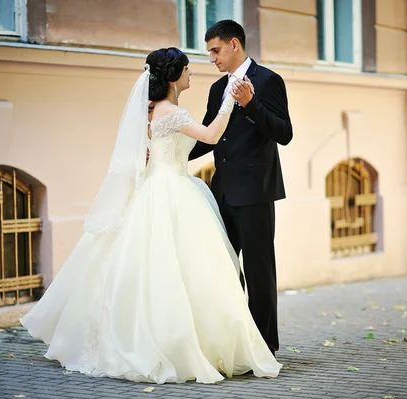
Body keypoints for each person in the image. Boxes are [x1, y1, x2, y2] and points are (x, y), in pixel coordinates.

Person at [20, 47, 281, 384]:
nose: (192, 73)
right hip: (172, 192)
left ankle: (175, 337)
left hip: (161, 188)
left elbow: (159, 150)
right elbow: (212, 136)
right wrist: (231, 100)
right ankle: (181, 343)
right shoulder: (171, 111)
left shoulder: (151, 110)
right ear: (173, 75)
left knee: (163, 270)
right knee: (181, 270)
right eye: (187, 69)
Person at [189, 20, 293, 356]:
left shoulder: (268, 81)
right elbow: (209, 135)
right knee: (225, 268)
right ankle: (236, 341)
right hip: (221, 192)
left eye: (215, 50)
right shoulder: (216, 89)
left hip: (256, 192)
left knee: (259, 271)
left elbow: (284, 133)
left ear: (235, 44)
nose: (212, 58)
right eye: (209, 53)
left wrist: (251, 104)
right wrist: (174, 154)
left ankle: (265, 346)